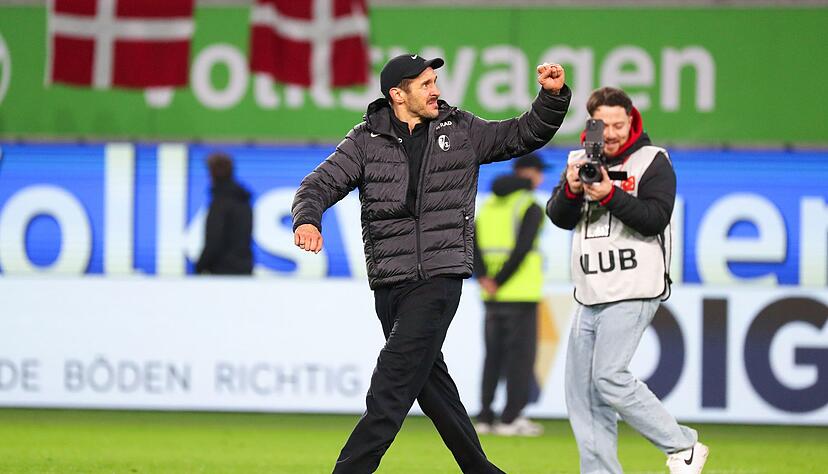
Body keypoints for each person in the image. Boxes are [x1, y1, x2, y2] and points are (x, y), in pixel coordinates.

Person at [292, 53, 570, 473]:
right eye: (425, 84)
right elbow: (318, 183)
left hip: (438, 280)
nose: (436, 89)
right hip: (389, 283)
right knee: (431, 386)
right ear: (397, 95)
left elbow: (522, 135)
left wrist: (550, 98)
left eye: (435, 81)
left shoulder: (461, 130)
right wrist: (308, 219)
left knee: (391, 383)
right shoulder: (365, 139)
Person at [546, 86, 708, 474]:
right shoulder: (579, 160)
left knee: (608, 376)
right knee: (584, 396)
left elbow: (655, 218)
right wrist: (571, 189)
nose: (614, 132)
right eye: (605, 125)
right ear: (591, 126)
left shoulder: (653, 161)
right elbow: (558, 216)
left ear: (632, 121)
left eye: (620, 124)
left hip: (634, 286)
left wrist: (607, 195)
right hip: (589, 292)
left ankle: (682, 445)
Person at [473, 153, 547, 437]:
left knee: (492, 357)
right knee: (520, 359)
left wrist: (485, 278)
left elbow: (473, 242)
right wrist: (501, 280)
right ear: (528, 174)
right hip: (521, 293)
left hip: (491, 296)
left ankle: (485, 417)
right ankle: (511, 418)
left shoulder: (489, 203)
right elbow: (522, 249)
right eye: (538, 172)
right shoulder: (529, 206)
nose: (540, 178)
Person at [195, 152, 254, 275]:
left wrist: (200, 266)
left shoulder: (220, 203)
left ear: (211, 173)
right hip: (244, 269)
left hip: (222, 272)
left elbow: (214, 240)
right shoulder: (243, 200)